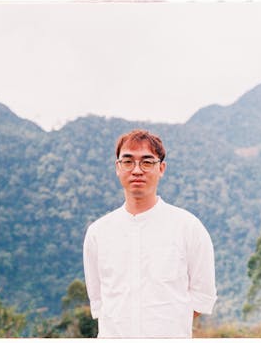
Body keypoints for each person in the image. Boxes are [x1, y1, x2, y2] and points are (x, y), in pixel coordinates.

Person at [83, 129, 217, 338]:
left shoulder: (188, 228)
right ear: (118, 168)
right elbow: (100, 300)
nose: (137, 170)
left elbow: (202, 296)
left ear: (161, 168)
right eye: (128, 161)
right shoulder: (98, 233)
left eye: (147, 162)